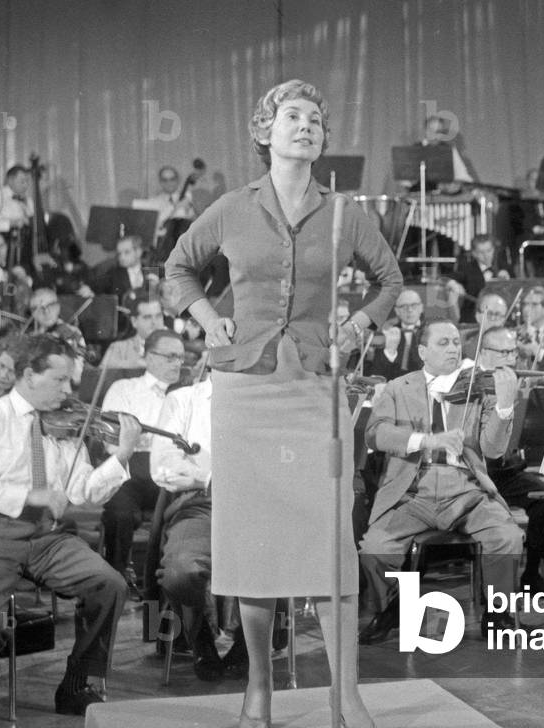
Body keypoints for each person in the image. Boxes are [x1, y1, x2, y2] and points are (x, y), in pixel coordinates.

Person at [165, 78, 402, 728]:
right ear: (264, 131)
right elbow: (178, 268)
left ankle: (344, 694)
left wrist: (360, 325)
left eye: (316, 118)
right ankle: (259, 690)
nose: (306, 125)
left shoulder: (345, 213)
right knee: (253, 546)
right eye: (293, 116)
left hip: (316, 390)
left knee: (329, 543)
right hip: (244, 392)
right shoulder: (232, 208)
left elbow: (391, 278)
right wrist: (210, 321)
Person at [0, 336, 142, 720]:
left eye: (71, 381)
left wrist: (121, 455)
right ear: (27, 375)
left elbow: (83, 492)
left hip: (48, 538)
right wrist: (30, 495)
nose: (69, 391)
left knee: (109, 584)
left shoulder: (65, 425)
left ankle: (75, 683)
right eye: (60, 380)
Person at [357, 320, 522, 643]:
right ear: (422, 351)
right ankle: (393, 607)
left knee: (507, 536)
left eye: (457, 343)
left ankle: (497, 612)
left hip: (466, 488)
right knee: (374, 548)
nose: (453, 349)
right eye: (443, 343)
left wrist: (504, 407)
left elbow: (493, 448)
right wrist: (426, 440)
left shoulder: (477, 387)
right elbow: (375, 433)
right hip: (412, 490)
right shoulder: (398, 387)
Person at [150, 351, 247, 680]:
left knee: (276, 560)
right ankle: (200, 638)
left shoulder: (264, 399)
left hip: (256, 501)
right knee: (180, 572)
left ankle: (248, 646)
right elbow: (163, 466)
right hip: (200, 502)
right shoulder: (183, 400)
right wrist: (211, 474)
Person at [476, 325, 544, 592]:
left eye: (512, 351)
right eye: (502, 352)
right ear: (483, 354)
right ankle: (491, 591)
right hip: (475, 473)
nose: (510, 358)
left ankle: (532, 570)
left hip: (504, 470)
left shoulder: (513, 382)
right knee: (495, 521)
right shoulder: (470, 385)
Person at [99, 329, 183, 583]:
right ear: (148, 357)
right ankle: (116, 578)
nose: (177, 363)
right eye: (170, 357)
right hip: (131, 471)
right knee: (119, 514)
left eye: (180, 357)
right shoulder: (124, 388)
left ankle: (164, 582)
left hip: (172, 471)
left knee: (183, 513)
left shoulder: (187, 393)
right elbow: (111, 442)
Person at [449, 234, 510, 322]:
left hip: (499, 319)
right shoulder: (466, 269)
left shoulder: (504, 267)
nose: (486, 255)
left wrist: (507, 281)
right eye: (481, 252)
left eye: (489, 251)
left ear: (494, 250)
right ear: (474, 253)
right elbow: (446, 278)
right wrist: (453, 284)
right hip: (473, 320)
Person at [364, 290, 424, 380]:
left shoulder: (432, 330)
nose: (409, 310)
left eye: (414, 305)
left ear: (421, 308)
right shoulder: (386, 333)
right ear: (397, 311)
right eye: (404, 306)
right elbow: (377, 374)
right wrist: (389, 352)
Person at [102, 296, 163, 367]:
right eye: (147, 317)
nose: (154, 322)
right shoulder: (118, 348)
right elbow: (102, 375)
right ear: (134, 321)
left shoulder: (175, 346)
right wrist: (136, 364)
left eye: (158, 316)